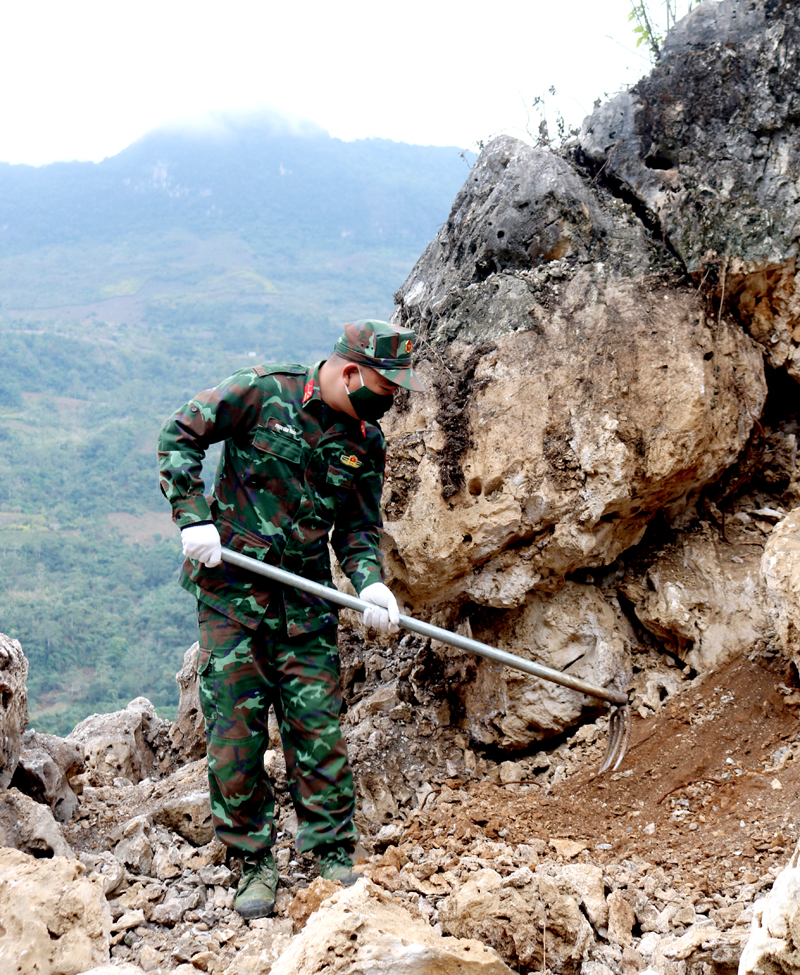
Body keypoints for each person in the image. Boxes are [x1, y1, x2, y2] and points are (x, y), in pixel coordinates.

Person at [156, 319, 424, 920]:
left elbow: (357, 527)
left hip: (305, 607)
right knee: (235, 738)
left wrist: (370, 581)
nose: (390, 401)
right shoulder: (262, 392)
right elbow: (179, 435)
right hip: (232, 599)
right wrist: (192, 515)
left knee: (318, 732)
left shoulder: (365, 439)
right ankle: (253, 862)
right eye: (386, 388)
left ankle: (330, 854)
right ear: (350, 372)